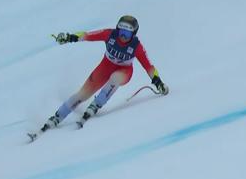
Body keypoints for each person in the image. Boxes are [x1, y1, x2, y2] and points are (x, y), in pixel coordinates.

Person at [31, 15, 169, 138]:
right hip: (105, 68)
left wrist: (158, 82)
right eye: (122, 32)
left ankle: (96, 104)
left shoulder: (136, 46)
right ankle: (58, 116)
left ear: (133, 34)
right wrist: (69, 37)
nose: (123, 36)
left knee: (115, 78)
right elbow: (87, 36)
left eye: (127, 34)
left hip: (124, 71)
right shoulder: (109, 34)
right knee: (82, 95)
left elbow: (149, 66)